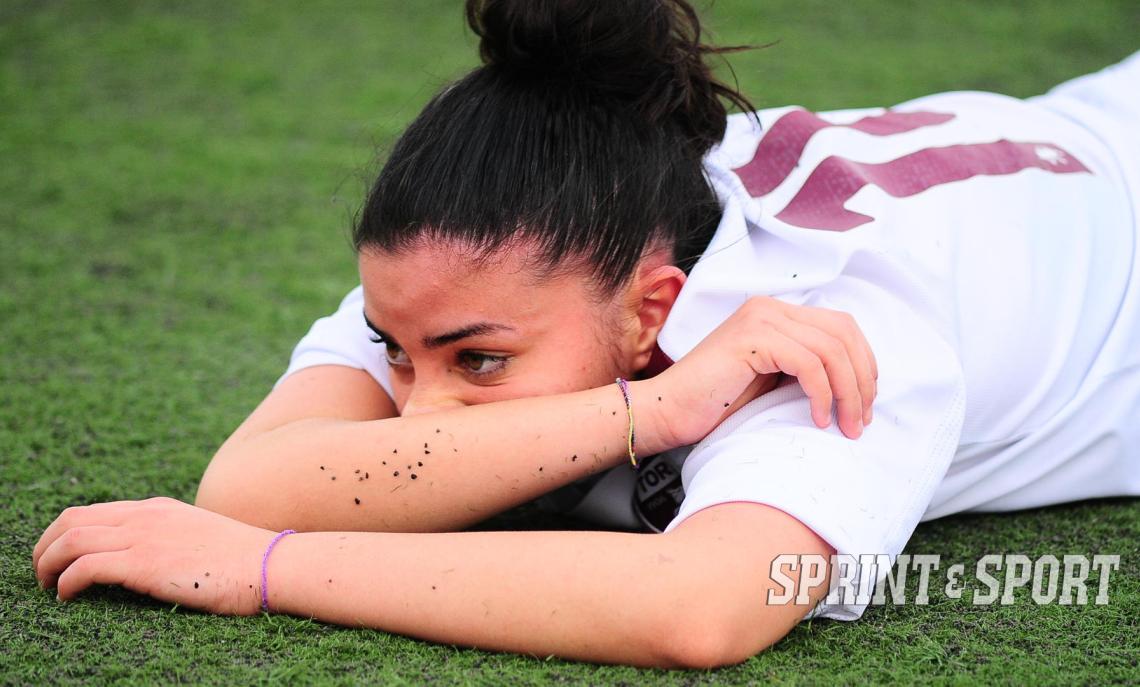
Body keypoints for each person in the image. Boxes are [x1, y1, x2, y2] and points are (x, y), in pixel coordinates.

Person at [32, 0, 1139, 669]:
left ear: (655, 307)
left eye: (478, 363)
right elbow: (249, 484)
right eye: (395, 351)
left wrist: (268, 570)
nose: (416, 404)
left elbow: (703, 607)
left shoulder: (829, 324)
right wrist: (649, 408)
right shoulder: (497, 258)